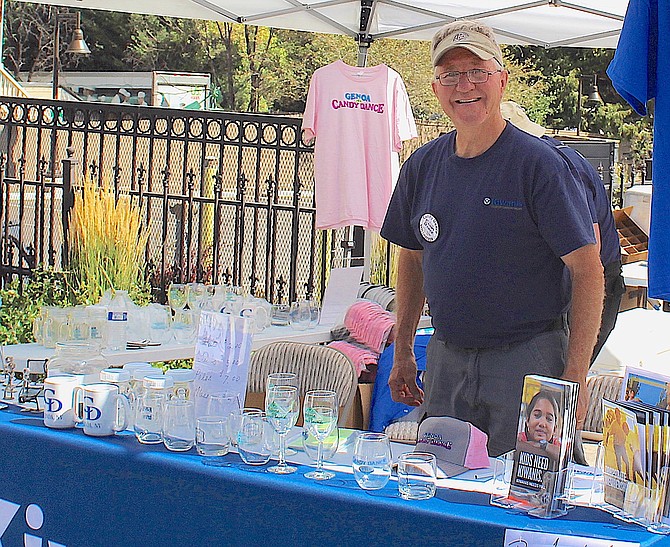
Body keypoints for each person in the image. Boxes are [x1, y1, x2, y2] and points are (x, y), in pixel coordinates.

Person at [380, 20, 604, 457]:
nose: (465, 85)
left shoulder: (540, 166)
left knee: (528, 502)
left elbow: (588, 270)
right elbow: (411, 257)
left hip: (528, 363)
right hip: (446, 362)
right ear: (436, 87)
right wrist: (403, 347)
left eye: (477, 71)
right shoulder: (422, 167)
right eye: (451, 74)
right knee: (441, 492)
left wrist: (574, 374)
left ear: (501, 79)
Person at [500, 100, 625, 464]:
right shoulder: (542, 160)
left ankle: (562, 472)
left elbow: (590, 260)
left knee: (560, 393)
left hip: (588, 286)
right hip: (575, 282)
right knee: (552, 398)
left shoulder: (555, 165)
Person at [516, 390, 561, 462]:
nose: (542, 424)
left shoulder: (558, 446)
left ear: (554, 429)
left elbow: (564, 458)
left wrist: (543, 445)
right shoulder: (519, 439)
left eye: (549, 419)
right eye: (537, 415)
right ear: (527, 421)